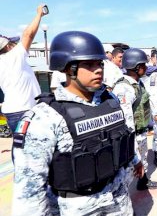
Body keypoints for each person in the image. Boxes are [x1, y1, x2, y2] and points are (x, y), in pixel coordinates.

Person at [12, 31, 143, 215]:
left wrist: (136, 160)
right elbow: (30, 189)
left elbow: (123, 133)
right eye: (89, 64)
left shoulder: (110, 100)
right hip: (77, 207)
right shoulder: (45, 117)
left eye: (99, 64)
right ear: (68, 68)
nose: (98, 70)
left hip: (118, 199)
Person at [112, 48, 157, 190]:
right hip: (132, 137)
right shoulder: (124, 88)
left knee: (143, 160)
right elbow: (126, 124)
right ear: (137, 67)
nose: (146, 67)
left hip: (141, 133)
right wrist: (131, 146)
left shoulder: (137, 83)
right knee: (128, 172)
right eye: (144, 65)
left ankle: (143, 181)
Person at [0, 5, 47, 133]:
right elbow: (28, 34)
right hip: (24, 110)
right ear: (7, 47)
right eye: (12, 43)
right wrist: (39, 14)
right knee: (33, 148)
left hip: (12, 111)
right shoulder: (14, 56)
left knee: (21, 148)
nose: (16, 45)